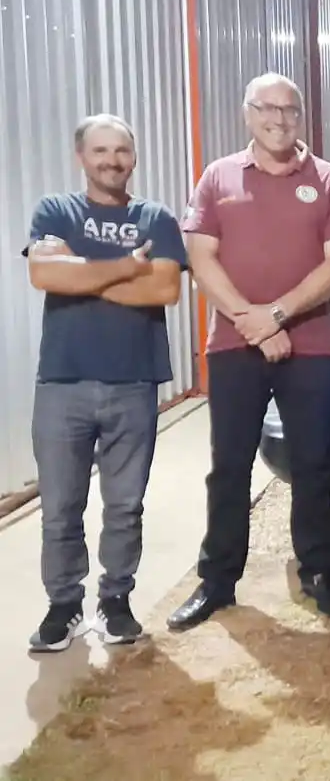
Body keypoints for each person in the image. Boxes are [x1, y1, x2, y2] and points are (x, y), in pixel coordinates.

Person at [169, 73, 330, 631]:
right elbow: (200, 258)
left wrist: (276, 315)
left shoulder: (329, 180)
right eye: (267, 108)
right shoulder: (218, 177)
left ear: (301, 117)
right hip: (234, 344)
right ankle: (217, 579)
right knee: (229, 466)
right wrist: (252, 323)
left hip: (312, 346)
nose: (278, 119)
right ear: (247, 113)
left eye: (289, 109)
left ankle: (319, 570)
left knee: (314, 463)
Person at [24, 114, 187, 651]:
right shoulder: (55, 210)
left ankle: (115, 600)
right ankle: (63, 605)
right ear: (82, 157)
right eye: (100, 151)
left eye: (121, 151)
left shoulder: (155, 218)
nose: (111, 161)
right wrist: (125, 266)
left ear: (133, 157)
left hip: (133, 381)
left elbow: (164, 290)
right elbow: (44, 275)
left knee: (124, 506)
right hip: (62, 383)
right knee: (59, 507)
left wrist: (82, 274)